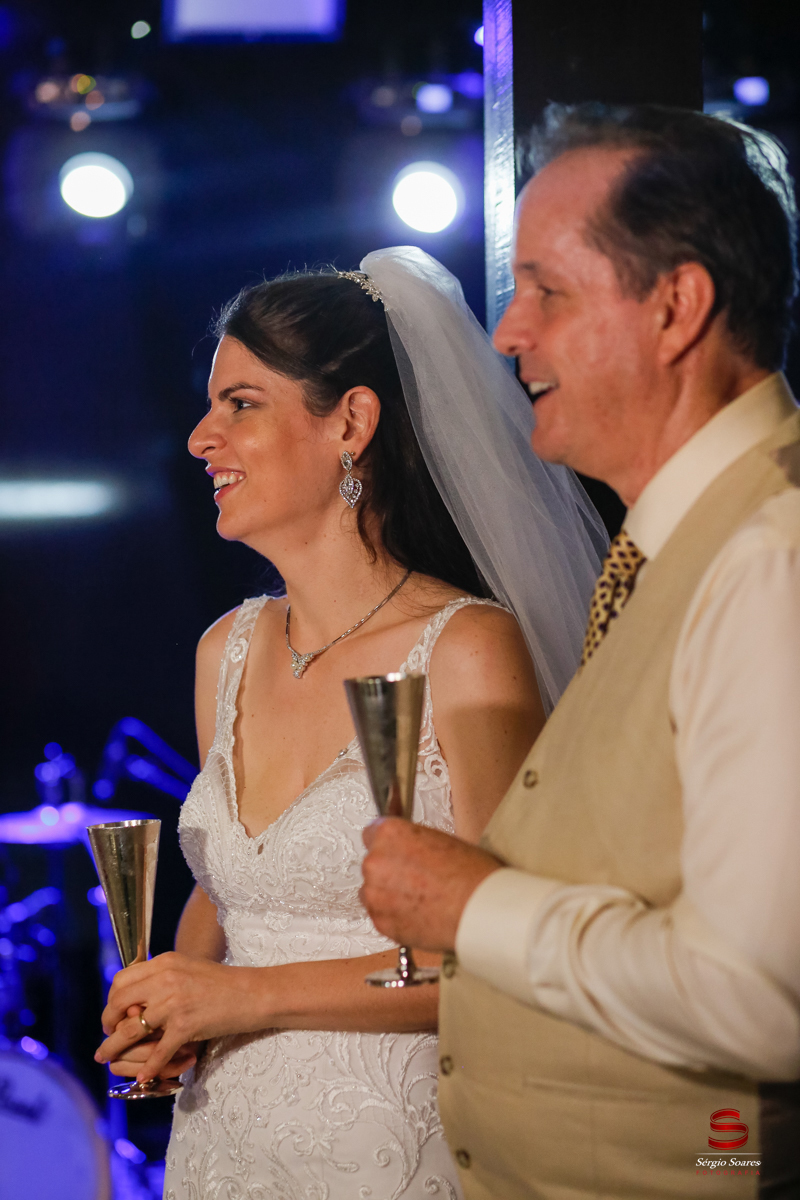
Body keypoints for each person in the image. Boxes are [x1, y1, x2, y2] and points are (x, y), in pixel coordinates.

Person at [94, 247, 604, 1199]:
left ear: (352, 424)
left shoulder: (465, 650)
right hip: (220, 1149)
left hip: (392, 1150)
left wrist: (241, 996)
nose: (201, 437)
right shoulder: (224, 650)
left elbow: (506, 958)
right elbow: (229, 892)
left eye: (240, 404)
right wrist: (168, 1003)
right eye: (210, 407)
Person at [360, 105, 800, 1199]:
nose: (507, 334)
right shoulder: (674, 550)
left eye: (545, 292)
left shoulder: (767, 561)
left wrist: (473, 908)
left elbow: (763, 1000)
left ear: (674, 308)